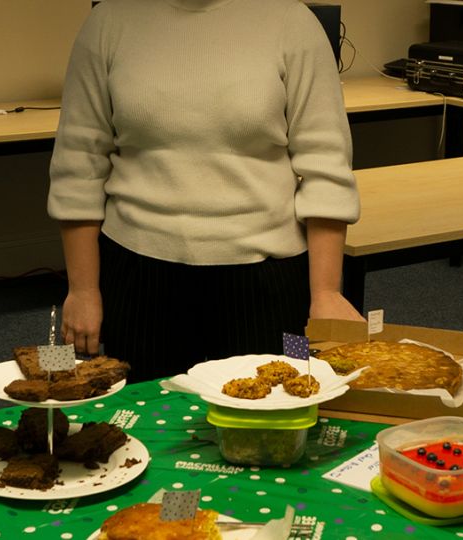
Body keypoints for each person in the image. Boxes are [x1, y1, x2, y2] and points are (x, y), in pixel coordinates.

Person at [47, 0, 363, 383]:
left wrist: (327, 291)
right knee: (142, 426)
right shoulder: (108, 23)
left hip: (272, 283)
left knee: (280, 424)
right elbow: (78, 167)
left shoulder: (293, 23)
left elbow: (326, 167)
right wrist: (82, 290)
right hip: (136, 279)